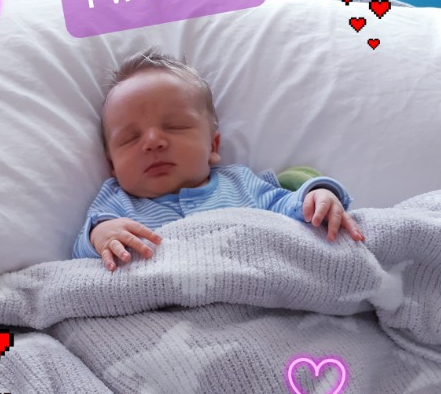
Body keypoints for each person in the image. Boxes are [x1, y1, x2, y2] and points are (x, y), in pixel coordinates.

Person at [73, 48, 365, 272]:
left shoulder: (239, 184)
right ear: (112, 166)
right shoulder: (116, 204)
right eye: (130, 138)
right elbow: (81, 257)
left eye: (174, 126)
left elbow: (290, 208)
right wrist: (99, 236)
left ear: (213, 146)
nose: (152, 142)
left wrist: (318, 195)